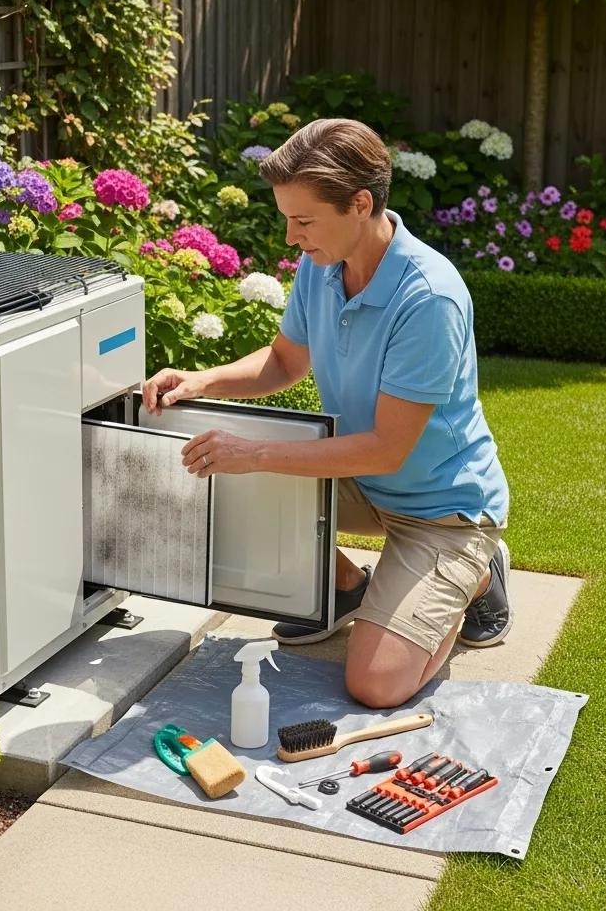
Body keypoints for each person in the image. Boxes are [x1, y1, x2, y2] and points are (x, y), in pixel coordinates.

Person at [141, 118, 510, 709]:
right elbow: (285, 361)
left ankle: (477, 571)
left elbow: (388, 447)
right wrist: (200, 380)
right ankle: (345, 589)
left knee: (375, 683)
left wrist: (255, 453)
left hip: (442, 511)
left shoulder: (429, 299)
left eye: (304, 220)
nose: (291, 237)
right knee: (220, 477)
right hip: (363, 485)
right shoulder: (321, 266)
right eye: (288, 218)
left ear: (360, 204)